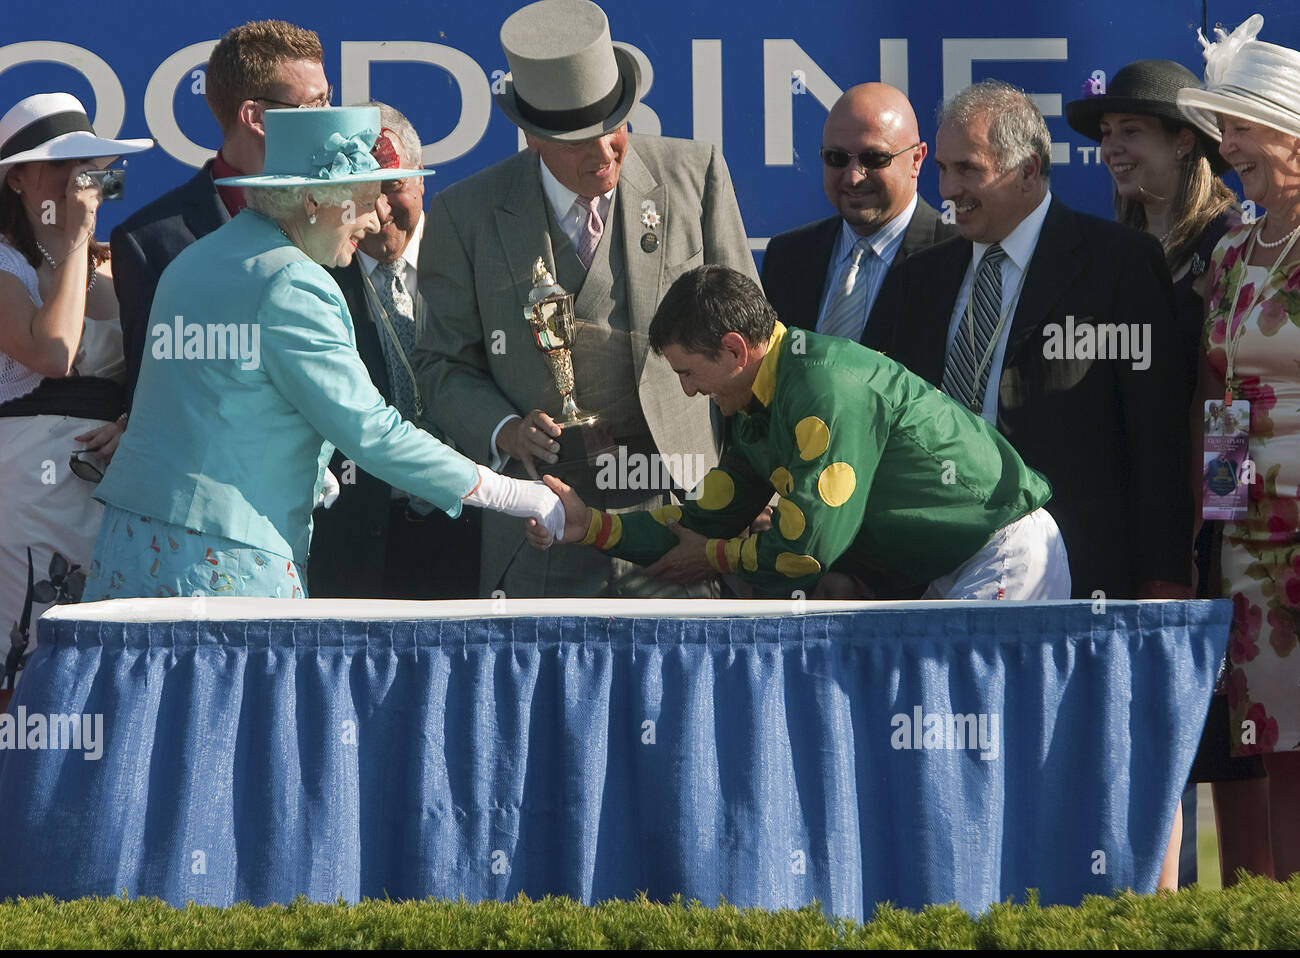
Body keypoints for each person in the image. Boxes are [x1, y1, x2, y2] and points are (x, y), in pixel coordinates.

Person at [80, 107, 564, 601]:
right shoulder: (295, 283)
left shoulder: (191, 262)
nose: (377, 218)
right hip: (227, 560)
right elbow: (372, 432)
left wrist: (309, 472)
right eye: (363, 199)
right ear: (313, 200)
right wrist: (511, 493)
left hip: (131, 549)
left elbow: (213, 401)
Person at [415, 0, 759, 598]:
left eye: (614, 129)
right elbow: (440, 365)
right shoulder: (464, 215)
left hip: (680, 515)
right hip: (542, 524)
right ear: (531, 136)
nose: (604, 155)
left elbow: (754, 346)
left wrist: (759, 484)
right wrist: (503, 431)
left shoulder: (693, 174)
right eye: (578, 141)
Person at [530, 265, 1071, 602]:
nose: (690, 393)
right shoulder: (756, 401)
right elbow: (700, 523)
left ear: (736, 350)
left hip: (1002, 553)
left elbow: (806, 549)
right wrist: (591, 526)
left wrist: (716, 557)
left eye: (688, 373)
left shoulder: (823, 389)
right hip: (950, 565)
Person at [865, 80, 1194, 604]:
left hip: (1071, 572)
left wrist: (1164, 574)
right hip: (927, 568)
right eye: (943, 169)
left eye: (967, 169)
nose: (947, 190)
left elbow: (1157, 434)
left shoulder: (1117, 265)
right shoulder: (917, 279)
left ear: (1028, 171)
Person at [1068, 59, 1262, 889]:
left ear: (1189, 143)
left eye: (1132, 132)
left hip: (1211, 535)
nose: (1112, 149)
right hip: (1127, 531)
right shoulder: (1113, 248)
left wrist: (1210, 526)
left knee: (1228, 753)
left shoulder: (1226, 244)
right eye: (1106, 136)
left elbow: (1229, 395)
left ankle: (1233, 933)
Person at [1177, 13, 1300, 881]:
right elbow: (1216, 396)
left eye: (1241, 128)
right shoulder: (1229, 251)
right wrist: (1215, 522)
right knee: (1276, 750)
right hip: (1251, 549)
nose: (1227, 149)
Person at [0, 92, 153, 696]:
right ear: (18, 181)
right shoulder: (5, 266)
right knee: (30, 669)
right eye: (60, 164)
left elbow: (157, 375)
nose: (77, 179)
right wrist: (73, 240)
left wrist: (131, 418)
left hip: (113, 490)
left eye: (87, 163)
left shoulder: (123, 265)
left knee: (108, 674)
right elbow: (53, 353)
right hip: (26, 493)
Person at [309, 102, 482, 599]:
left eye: (394, 186)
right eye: (367, 191)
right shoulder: (315, 276)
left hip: (471, 520)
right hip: (357, 534)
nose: (382, 207)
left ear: (421, 182)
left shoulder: (473, 259)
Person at [111, 19, 329, 406]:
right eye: (313, 105)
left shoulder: (341, 211)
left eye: (328, 100)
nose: (329, 118)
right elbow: (154, 393)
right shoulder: (149, 242)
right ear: (255, 118)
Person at [762, 82, 956, 341]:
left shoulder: (958, 256)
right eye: (836, 158)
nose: (853, 177)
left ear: (916, 160)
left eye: (874, 159)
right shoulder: (787, 258)